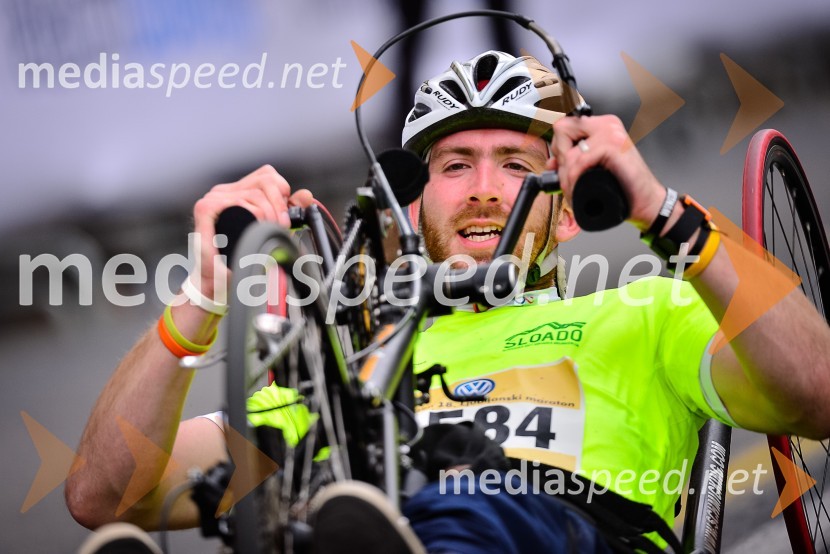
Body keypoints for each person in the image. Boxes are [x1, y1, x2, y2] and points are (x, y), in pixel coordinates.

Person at [66, 50, 830, 553]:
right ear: (413, 204)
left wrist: (667, 215)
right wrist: (202, 294)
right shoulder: (347, 370)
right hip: (368, 511)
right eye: (457, 165)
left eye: (514, 162)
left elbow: (819, 391)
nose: (486, 189)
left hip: (566, 528)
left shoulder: (644, 312)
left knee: (460, 498)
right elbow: (106, 494)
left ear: (567, 209)